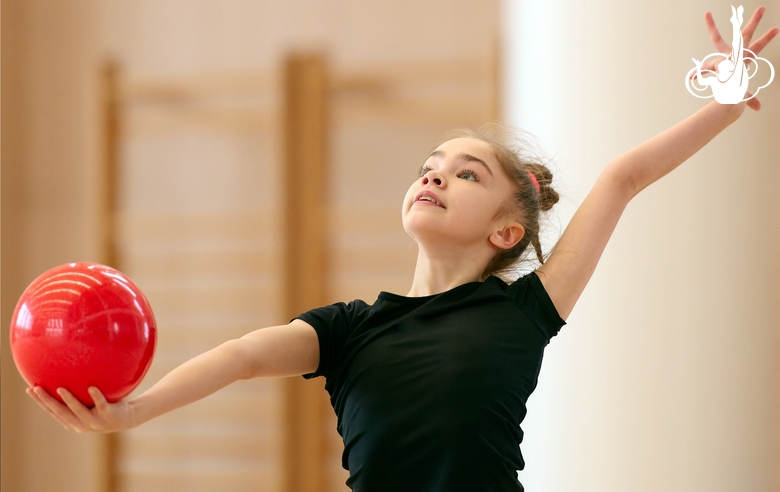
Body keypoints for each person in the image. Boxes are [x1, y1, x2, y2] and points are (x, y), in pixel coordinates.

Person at [27, 7, 778, 492]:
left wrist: (721, 105)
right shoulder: (349, 330)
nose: (435, 174)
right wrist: (137, 411)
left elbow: (621, 177)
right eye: (430, 165)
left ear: (505, 232)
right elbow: (243, 356)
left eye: (466, 172)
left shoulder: (524, 309)